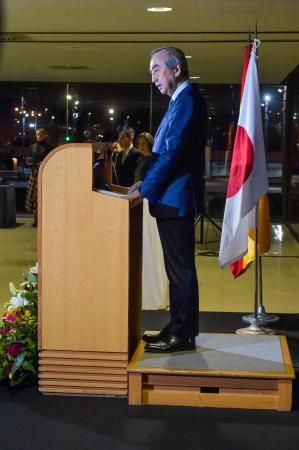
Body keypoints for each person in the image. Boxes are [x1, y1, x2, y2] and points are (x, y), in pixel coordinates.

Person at [128, 46, 208, 353]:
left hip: (176, 200)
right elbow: (165, 153)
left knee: (181, 270)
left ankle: (182, 335)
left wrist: (146, 187)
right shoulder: (181, 100)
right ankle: (177, 328)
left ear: (176, 70)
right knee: (177, 270)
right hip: (172, 198)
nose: (153, 77)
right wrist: (144, 181)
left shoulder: (188, 101)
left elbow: (172, 153)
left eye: (156, 69)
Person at [135, 132, 168, 311]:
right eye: (138, 143)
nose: (141, 146)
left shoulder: (152, 161)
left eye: (144, 143)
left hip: (148, 202)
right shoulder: (141, 160)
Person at [25, 128, 53, 226]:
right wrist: (29, 162)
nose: (39, 136)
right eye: (37, 134)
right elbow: (27, 160)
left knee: (42, 196)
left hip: (44, 174)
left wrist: (43, 163)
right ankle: (35, 219)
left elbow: (51, 161)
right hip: (34, 173)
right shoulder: (32, 147)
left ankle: (42, 219)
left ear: (45, 135)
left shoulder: (49, 148)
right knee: (33, 196)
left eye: (41, 134)